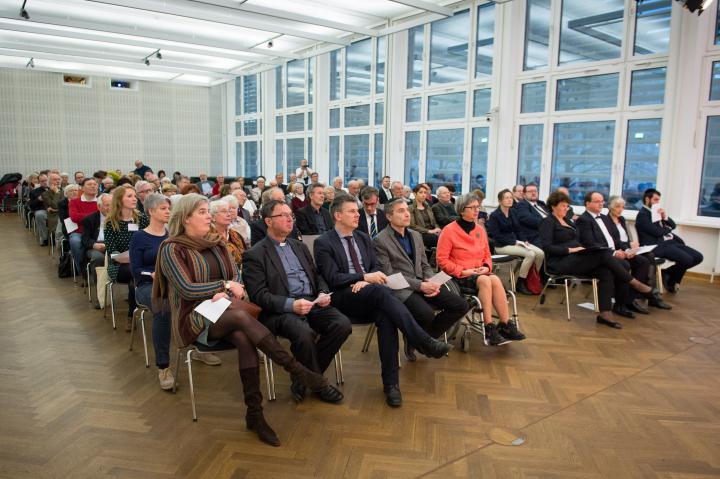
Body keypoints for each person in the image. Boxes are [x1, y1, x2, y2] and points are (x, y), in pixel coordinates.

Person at [154, 194, 340, 446]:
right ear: (186, 218)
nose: (208, 215)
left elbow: (237, 281)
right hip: (196, 315)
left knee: (243, 337)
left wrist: (227, 288)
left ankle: (255, 414)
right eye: (202, 212)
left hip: (226, 308)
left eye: (208, 210)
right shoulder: (172, 248)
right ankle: (296, 369)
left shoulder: (216, 243)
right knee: (242, 317)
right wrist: (222, 286)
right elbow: (187, 289)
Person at [314, 196, 452, 407]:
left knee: (386, 316)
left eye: (357, 211)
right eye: (351, 211)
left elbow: (377, 267)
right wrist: (362, 278)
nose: (357, 214)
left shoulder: (363, 238)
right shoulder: (323, 242)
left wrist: (368, 279)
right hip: (343, 295)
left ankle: (391, 385)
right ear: (337, 215)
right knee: (382, 293)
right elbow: (332, 278)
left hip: (370, 291)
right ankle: (422, 341)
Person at [243, 200, 350, 403]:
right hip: (281, 310)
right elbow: (259, 296)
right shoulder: (254, 254)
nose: (289, 218)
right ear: (268, 221)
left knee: (342, 324)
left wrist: (323, 291)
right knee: (304, 334)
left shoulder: (299, 246)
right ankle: (320, 384)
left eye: (290, 214)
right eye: (282, 215)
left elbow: (317, 274)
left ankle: (302, 377)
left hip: (312, 301)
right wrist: (291, 305)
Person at [539, 190, 660, 329]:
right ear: (553, 206)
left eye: (567, 206)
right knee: (603, 254)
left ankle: (605, 313)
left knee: (605, 271)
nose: (566, 209)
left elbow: (577, 241)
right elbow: (547, 247)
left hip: (575, 258)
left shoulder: (568, 221)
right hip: (559, 262)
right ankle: (636, 284)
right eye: (563, 206)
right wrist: (571, 250)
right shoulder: (547, 222)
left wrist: (580, 249)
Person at [374, 199, 469, 360]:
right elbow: (389, 275)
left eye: (407, 210)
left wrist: (432, 282)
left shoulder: (416, 235)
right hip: (401, 288)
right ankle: (423, 341)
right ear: (389, 216)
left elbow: (425, 265)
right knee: (426, 314)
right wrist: (421, 286)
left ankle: (416, 340)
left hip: (423, 284)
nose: (406, 214)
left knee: (461, 305)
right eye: (401, 211)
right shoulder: (380, 240)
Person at [437, 194, 526, 345]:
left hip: (479, 272)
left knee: (495, 278)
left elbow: (487, 254)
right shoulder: (449, 230)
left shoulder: (479, 230)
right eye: (472, 207)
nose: (477, 210)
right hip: (459, 275)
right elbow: (442, 260)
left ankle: (504, 324)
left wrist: (486, 267)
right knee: (486, 279)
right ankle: (489, 327)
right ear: (461, 210)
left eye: (478, 207)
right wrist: (462, 271)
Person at [635, 188, 704, 293]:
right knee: (687, 260)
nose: (657, 203)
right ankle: (671, 281)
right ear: (647, 200)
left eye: (658, 200)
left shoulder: (656, 212)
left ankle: (667, 273)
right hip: (654, 246)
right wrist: (667, 230)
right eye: (655, 200)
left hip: (667, 243)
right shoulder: (642, 215)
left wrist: (665, 216)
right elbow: (657, 232)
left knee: (698, 257)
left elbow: (673, 225)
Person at [104, 185, 150, 331]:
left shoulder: (141, 219)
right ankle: (143, 306)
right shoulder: (111, 223)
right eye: (129, 196)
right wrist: (127, 257)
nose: (134, 199)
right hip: (118, 266)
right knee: (133, 270)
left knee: (133, 280)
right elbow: (112, 251)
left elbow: (148, 242)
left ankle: (132, 314)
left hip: (139, 265)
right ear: (119, 200)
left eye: (134, 196)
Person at [486, 189, 544, 296]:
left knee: (540, 253)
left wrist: (525, 241)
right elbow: (497, 236)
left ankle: (531, 278)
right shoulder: (495, 215)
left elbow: (518, 230)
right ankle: (520, 282)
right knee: (531, 254)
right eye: (506, 198)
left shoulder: (513, 212)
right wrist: (515, 242)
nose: (509, 200)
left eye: (511, 197)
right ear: (500, 201)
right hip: (502, 246)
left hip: (516, 242)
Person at [80, 193, 112, 307]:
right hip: (96, 246)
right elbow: (85, 239)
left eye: (112, 205)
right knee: (98, 259)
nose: (110, 208)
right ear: (99, 206)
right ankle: (100, 296)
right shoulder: (89, 219)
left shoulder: (119, 218)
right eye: (107, 205)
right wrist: (94, 245)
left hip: (113, 246)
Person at [69, 178, 100, 275]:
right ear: (82, 188)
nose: (93, 186)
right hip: (80, 231)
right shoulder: (74, 202)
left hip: (97, 231)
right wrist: (94, 216)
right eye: (89, 184)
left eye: (95, 184)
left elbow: (106, 216)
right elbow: (74, 217)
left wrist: (84, 215)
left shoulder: (101, 201)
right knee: (75, 241)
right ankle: (83, 271)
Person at [210, 199, 246, 267]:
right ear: (213, 217)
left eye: (229, 211)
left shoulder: (236, 235)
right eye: (224, 211)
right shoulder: (208, 237)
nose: (229, 214)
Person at [409, 183, 441, 249]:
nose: (423, 195)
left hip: (432, 232)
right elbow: (412, 226)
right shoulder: (410, 208)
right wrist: (429, 231)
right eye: (421, 192)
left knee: (448, 236)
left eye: (425, 193)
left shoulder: (428, 207)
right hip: (420, 234)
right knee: (439, 240)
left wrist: (437, 228)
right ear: (415, 194)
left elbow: (434, 222)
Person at [41, 173, 64, 241]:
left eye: (59, 179)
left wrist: (56, 209)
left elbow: (63, 205)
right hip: (54, 215)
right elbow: (54, 206)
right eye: (55, 179)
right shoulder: (45, 194)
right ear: (49, 182)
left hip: (64, 213)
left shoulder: (65, 191)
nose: (58, 181)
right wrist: (56, 193)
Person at [29, 173, 49, 245]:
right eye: (42, 181)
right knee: (39, 215)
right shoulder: (34, 192)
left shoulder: (54, 189)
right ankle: (44, 238)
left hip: (54, 210)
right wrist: (38, 199)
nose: (44, 182)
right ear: (39, 182)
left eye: (46, 180)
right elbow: (31, 205)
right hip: (42, 210)